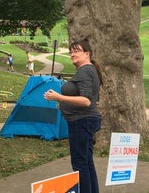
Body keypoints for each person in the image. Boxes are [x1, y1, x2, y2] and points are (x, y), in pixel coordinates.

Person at [43, 39, 102, 193]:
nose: (72, 54)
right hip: (84, 121)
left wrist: (59, 98)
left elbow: (86, 100)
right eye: (71, 51)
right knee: (87, 163)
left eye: (76, 51)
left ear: (87, 53)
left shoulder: (85, 71)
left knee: (80, 165)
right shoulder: (87, 71)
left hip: (81, 122)